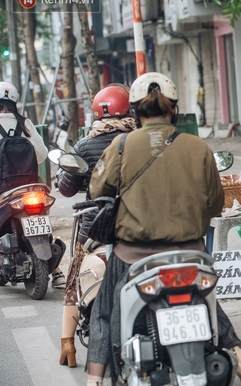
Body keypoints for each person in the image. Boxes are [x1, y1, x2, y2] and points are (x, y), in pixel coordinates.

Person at [84, 72, 241, 386]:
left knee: (104, 309)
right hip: (190, 252)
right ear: (174, 110)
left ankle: (94, 379)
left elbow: (98, 189)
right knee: (208, 300)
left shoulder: (121, 145)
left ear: (135, 111)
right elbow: (216, 204)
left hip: (131, 255)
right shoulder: (198, 147)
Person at [56, 84, 136, 368]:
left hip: (94, 228)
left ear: (97, 114)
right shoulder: (139, 140)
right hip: (135, 224)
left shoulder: (84, 145)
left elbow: (66, 190)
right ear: (129, 109)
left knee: (74, 280)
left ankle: (68, 346)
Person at [0, 81, 66, 288]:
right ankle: (56, 270)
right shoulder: (25, 124)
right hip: (31, 187)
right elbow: (42, 155)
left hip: (4, 190)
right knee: (43, 221)